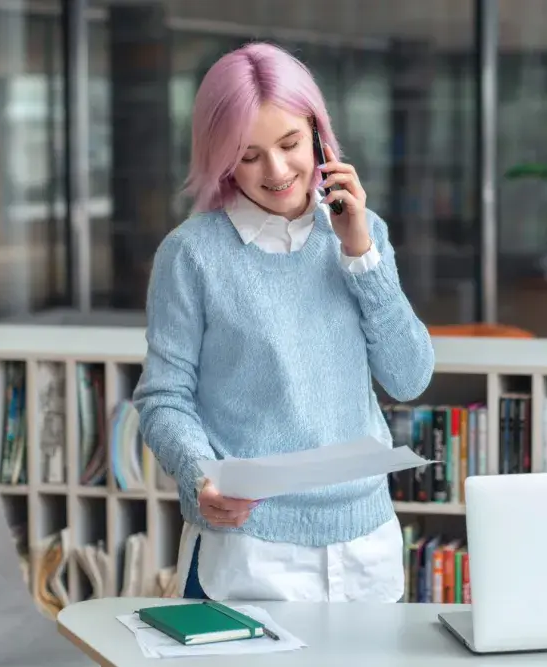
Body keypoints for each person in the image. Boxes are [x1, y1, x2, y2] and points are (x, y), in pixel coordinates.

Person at [132, 41, 435, 604]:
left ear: (319, 134)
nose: (276, 171)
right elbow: (164, 398)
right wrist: (202, 477)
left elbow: (409, 377)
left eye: (291, 144)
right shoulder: (191, 254)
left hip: (365, 541)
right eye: (247, 155)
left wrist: (361, 254)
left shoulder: (364, 235)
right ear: (220, 157)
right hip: (251, 549)